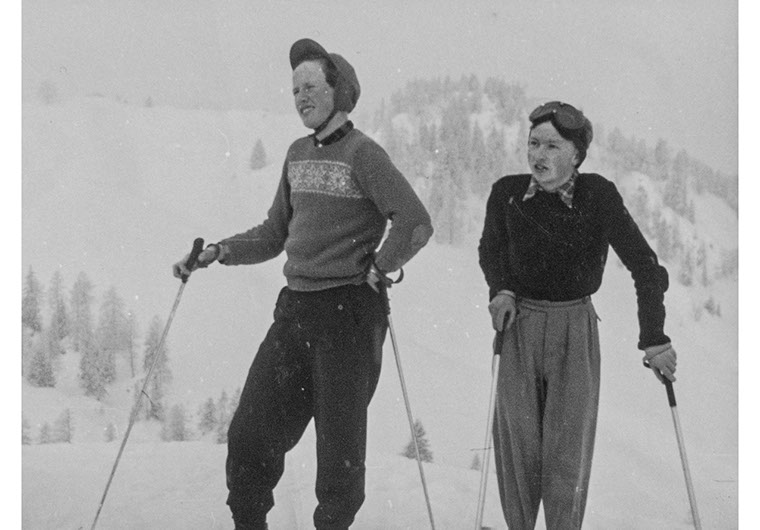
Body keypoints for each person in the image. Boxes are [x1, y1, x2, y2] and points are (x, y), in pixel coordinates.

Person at [173, 38, 433, 530]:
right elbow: (275, 233)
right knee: (250, 436)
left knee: (338, 460)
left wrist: (380, 267)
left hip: (348, 319)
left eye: (311, 86)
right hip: (295, 312)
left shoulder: (364, 154)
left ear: (340, 91)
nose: (301, 97)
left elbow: (415, 221)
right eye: (295, 90)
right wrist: (219, 251)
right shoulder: (297, 154)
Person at [478, 101, 677, 529]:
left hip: (574, 327)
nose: (539, 155)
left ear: (577, 155)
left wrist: (654, 337)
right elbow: (490, 249)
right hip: (519, 327)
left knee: (567, 450)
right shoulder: (507, 193)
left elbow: (645, 266)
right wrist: (501, 290)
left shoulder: (597, 195)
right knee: (517, 447)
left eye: (552, 146)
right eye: (534, 143)